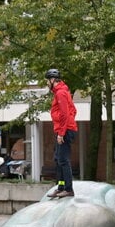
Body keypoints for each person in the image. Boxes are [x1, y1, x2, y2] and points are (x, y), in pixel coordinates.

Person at [45, 68, 78, 198]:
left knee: (63, 160)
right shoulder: (62, 92)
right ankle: (61, 187)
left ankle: (69, 190)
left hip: (64, 131)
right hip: (63, 129)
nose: (47, 84)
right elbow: (73, 110)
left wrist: (62, 133)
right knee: (58, 159)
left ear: (53, 80)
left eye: (48, 81)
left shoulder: (61, 93)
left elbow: (65, 114)